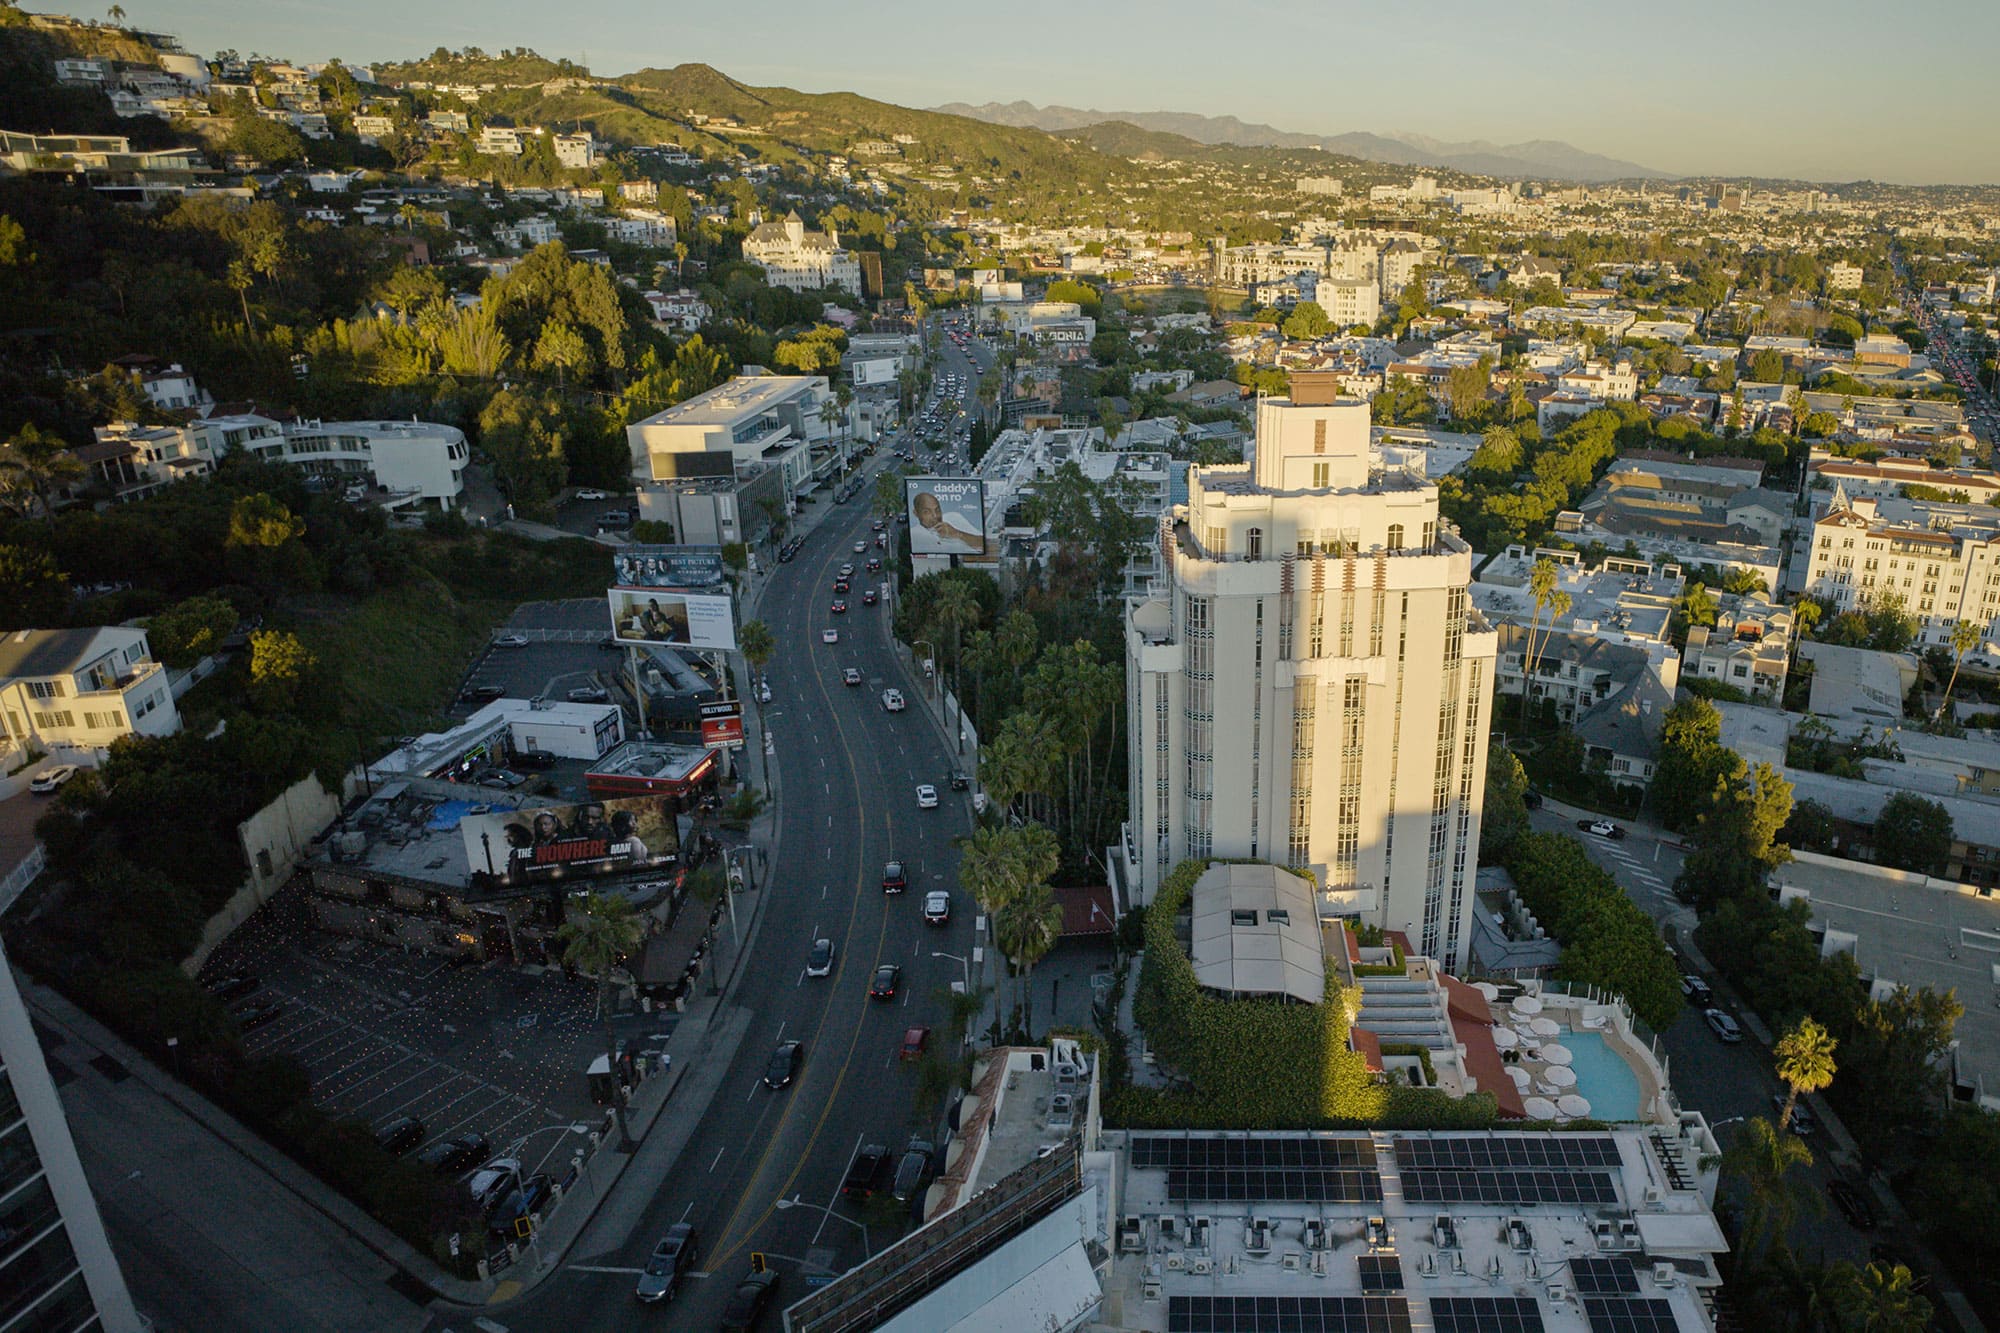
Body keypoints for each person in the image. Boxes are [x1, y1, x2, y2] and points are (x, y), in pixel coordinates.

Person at [910, 490, 983, 553]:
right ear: (916, 513)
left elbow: (983, 543)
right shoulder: (915, 533)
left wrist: (958, 534)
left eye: (937, 510)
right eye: (927, 512)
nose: (935, 515)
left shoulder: (953, 517)